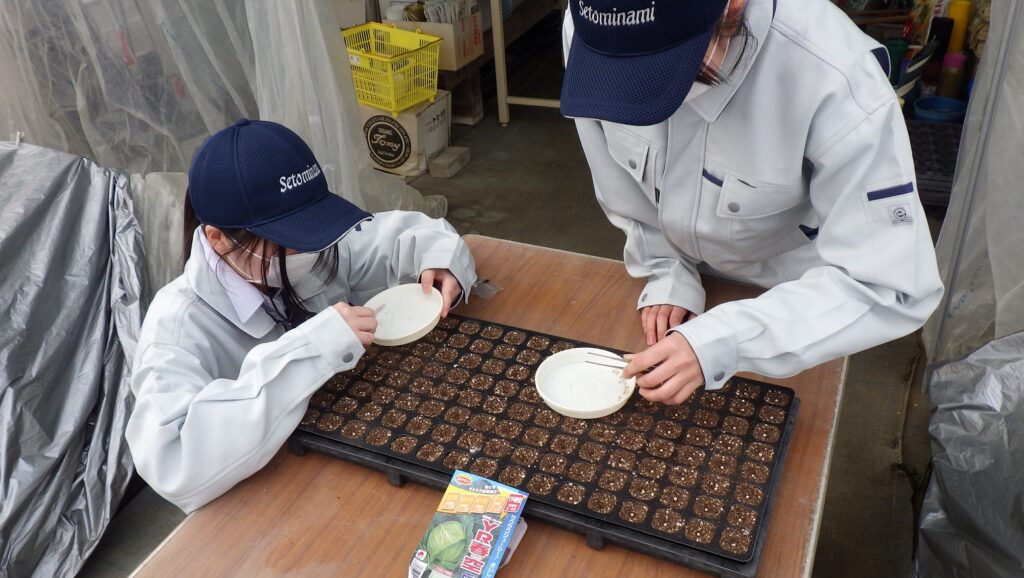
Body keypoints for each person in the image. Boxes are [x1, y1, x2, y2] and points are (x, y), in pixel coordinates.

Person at [562, 0, 942, 403]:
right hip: (687, 274)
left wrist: (726, 340)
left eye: (665, 64)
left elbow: (890, 285)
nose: (640, 89)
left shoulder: (834, 73)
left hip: (801, 301)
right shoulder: (596, 32)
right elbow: (623, 187)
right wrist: (666, 269)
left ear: (733, 6)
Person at [126, 119, 477, 512]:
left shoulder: (315, 249)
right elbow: (172, 464)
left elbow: (404, 235)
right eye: (288, 238)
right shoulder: (176, 330)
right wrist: (310, 352)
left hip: (350, 466)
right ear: (218, 239)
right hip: (272, 505)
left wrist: (439, 260)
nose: (309, 251)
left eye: (311, 228)